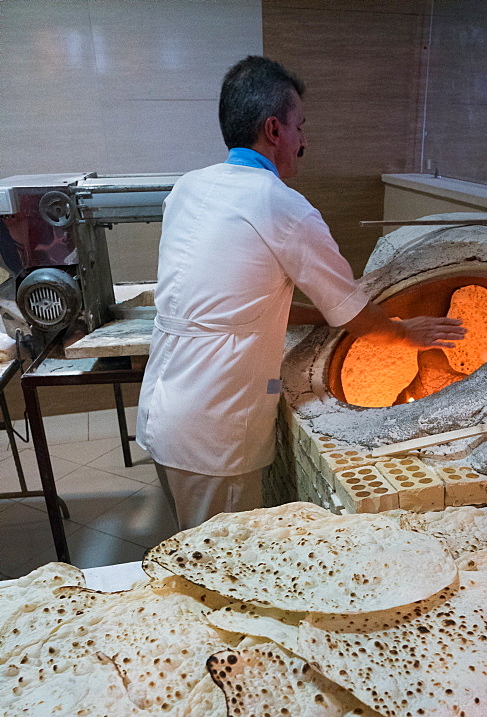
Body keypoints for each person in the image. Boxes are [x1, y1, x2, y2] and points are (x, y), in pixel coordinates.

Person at [136, 56, 465, 530]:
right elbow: (353, 311)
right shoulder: (283, 207)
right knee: (223, 564)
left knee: (194, 545)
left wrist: (319, 317)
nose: (304, 140)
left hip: (164, 409)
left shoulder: (190, 188)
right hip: (215, 427)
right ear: (274, 129)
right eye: (301, 126)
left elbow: (240, 299)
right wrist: (403, 332)